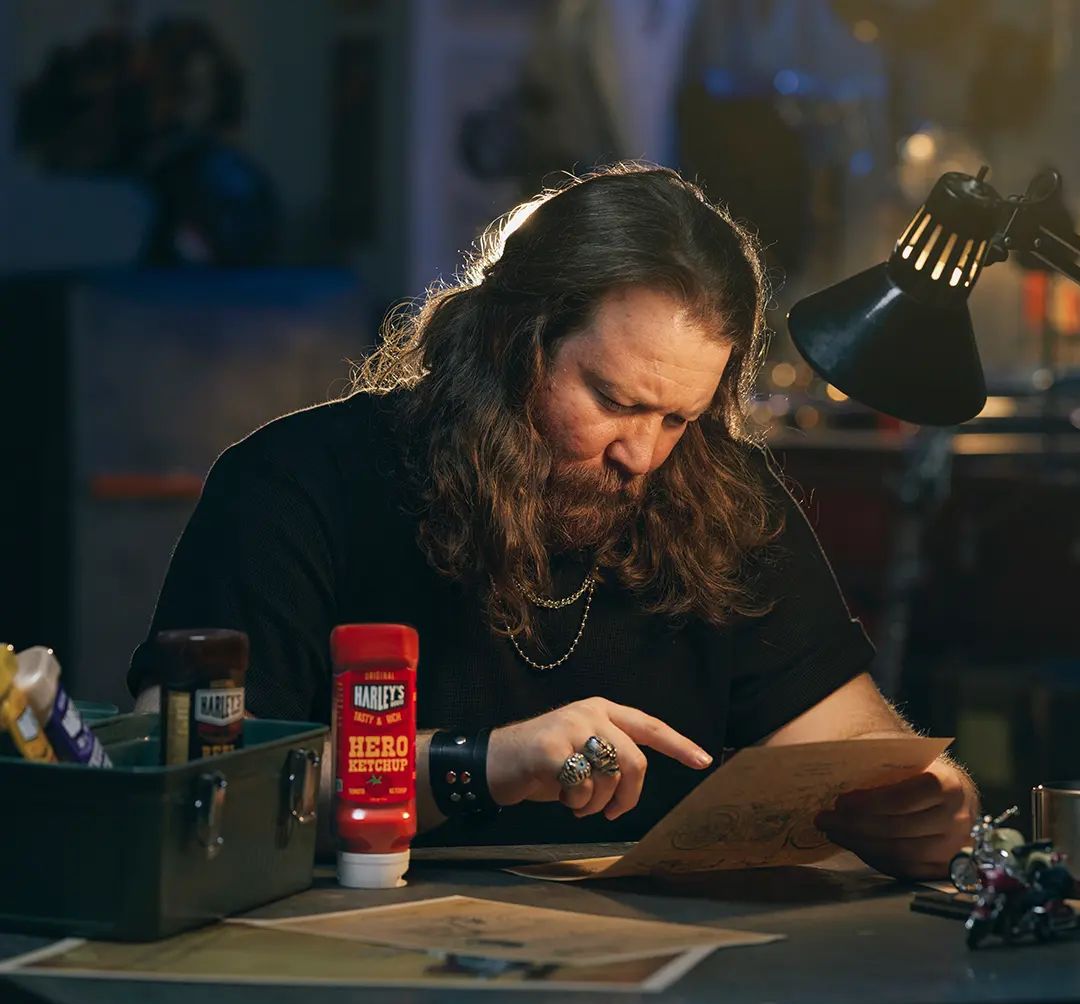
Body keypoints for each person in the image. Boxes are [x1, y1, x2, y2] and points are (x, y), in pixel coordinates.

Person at [128, 163, 977, 878]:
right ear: (510, 341)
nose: (642, 456)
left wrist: (929, 803)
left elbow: (857, 746)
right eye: (611, 400)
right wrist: (486, 763)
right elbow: (194, 784)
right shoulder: (295, 485)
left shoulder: (721, 493)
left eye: (677, 418)